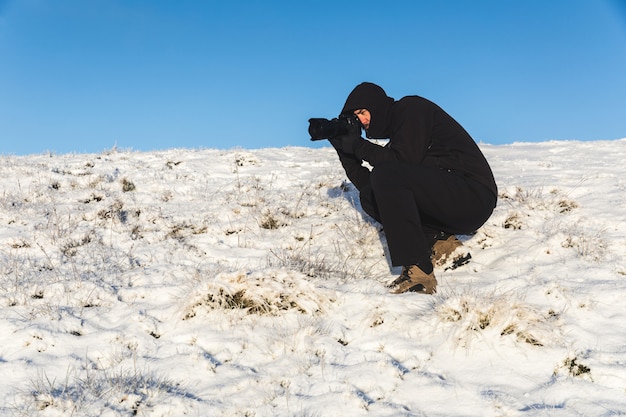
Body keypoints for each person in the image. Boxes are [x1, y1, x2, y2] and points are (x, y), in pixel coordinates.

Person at [329, 82, 497, 294]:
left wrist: (356, 145)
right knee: (372, 194)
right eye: (356, 117)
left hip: (474, 196)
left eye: (363, 111)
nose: (361, 121)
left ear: (377, 105)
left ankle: (419, 273)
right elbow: (374, 184)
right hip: (453, 204)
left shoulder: (411, 109)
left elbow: (398, 162)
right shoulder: (399, 141)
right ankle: (442, 244)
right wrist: (344, 152)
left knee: (386, 173)